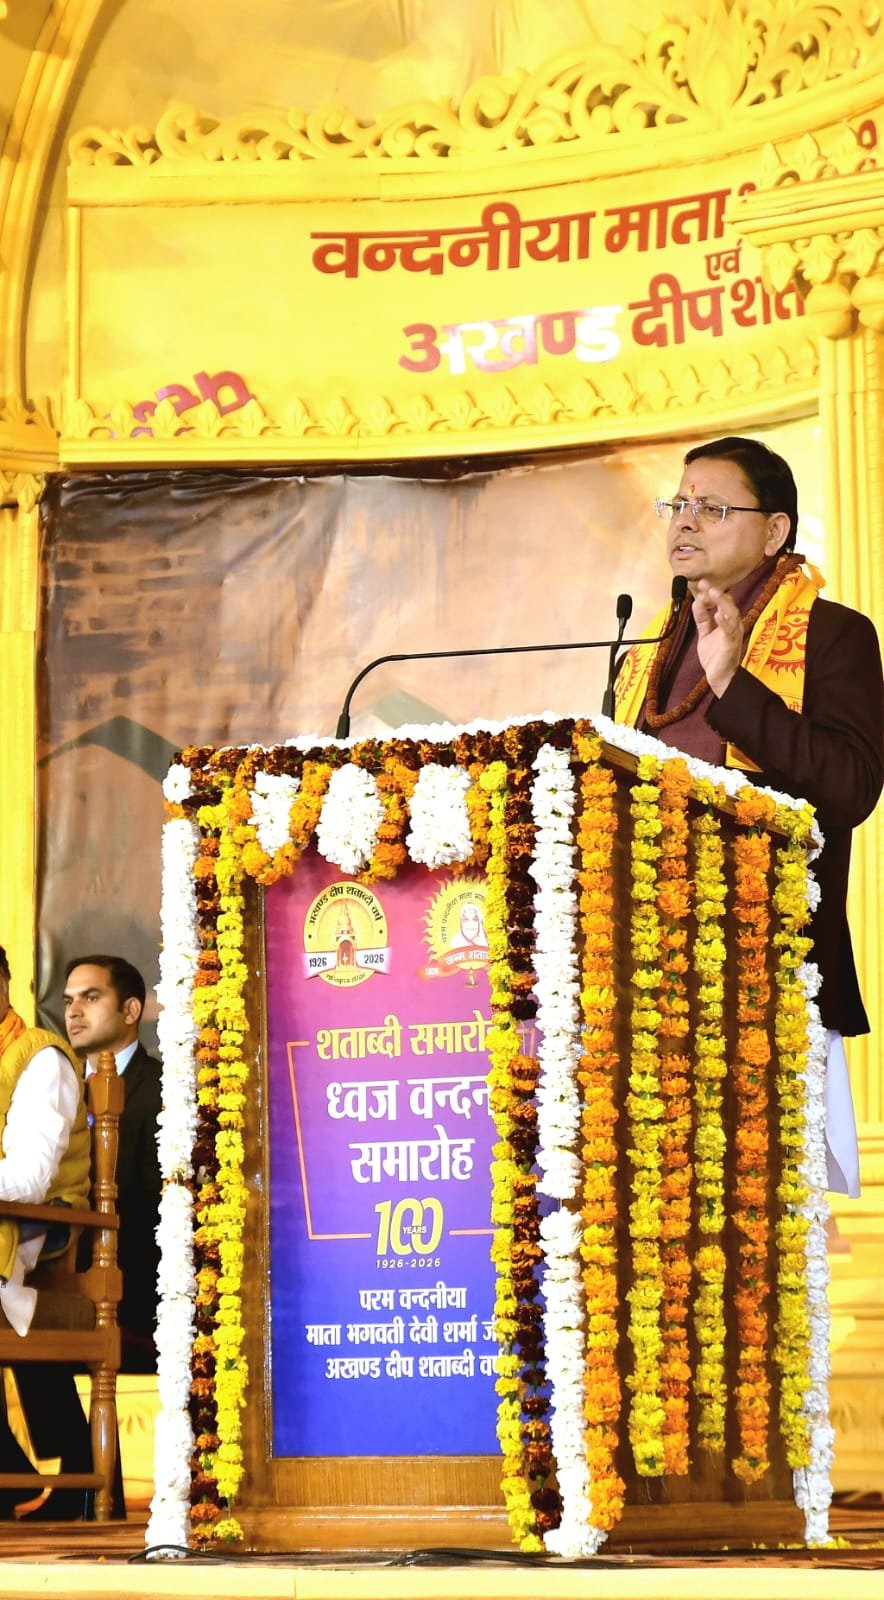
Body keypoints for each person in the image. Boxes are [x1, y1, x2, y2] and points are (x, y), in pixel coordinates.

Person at [615, 435, 884, 1196]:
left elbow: (852, 787)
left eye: (711, 507)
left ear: (774, 531)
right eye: (678, 504)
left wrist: (734, 682)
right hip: (644, 970)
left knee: (762, 1213)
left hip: (768, 965)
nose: (685, 521)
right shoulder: (645, 653)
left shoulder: (832, 634)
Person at [0, 943, 93, 1519]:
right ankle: (11, 1474)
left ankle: (9, 1476)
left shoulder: (40, 1058)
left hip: (38, 1227)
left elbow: (30, 1180)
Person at [61, 956, 162, 1370]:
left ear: (131, 1010)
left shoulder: (165, 1088)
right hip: (56, 1287)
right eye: (68, 1001)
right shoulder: (55, 1086)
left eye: (90, 997)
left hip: (138, 1302)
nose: (74, 1012)